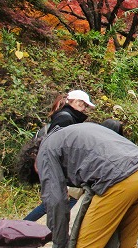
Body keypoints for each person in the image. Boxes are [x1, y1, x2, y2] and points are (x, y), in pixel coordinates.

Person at [16, 122, 138, 248]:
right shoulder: (71, 133)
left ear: (34, 156)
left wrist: (59, 247)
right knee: (127, 247)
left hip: (119, 181)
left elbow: (56, 201)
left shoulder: (45, 151)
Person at [24, 90, 96, 222]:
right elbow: (53, 143)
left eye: (86, 105)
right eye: (82, 104)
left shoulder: (67, 116)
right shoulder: (66, 118)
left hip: (57, 165)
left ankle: (27, 228)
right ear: (73, 101)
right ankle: (22, 227)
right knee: (57, 202)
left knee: (61, 201)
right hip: (56, 166)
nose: (85, 108)